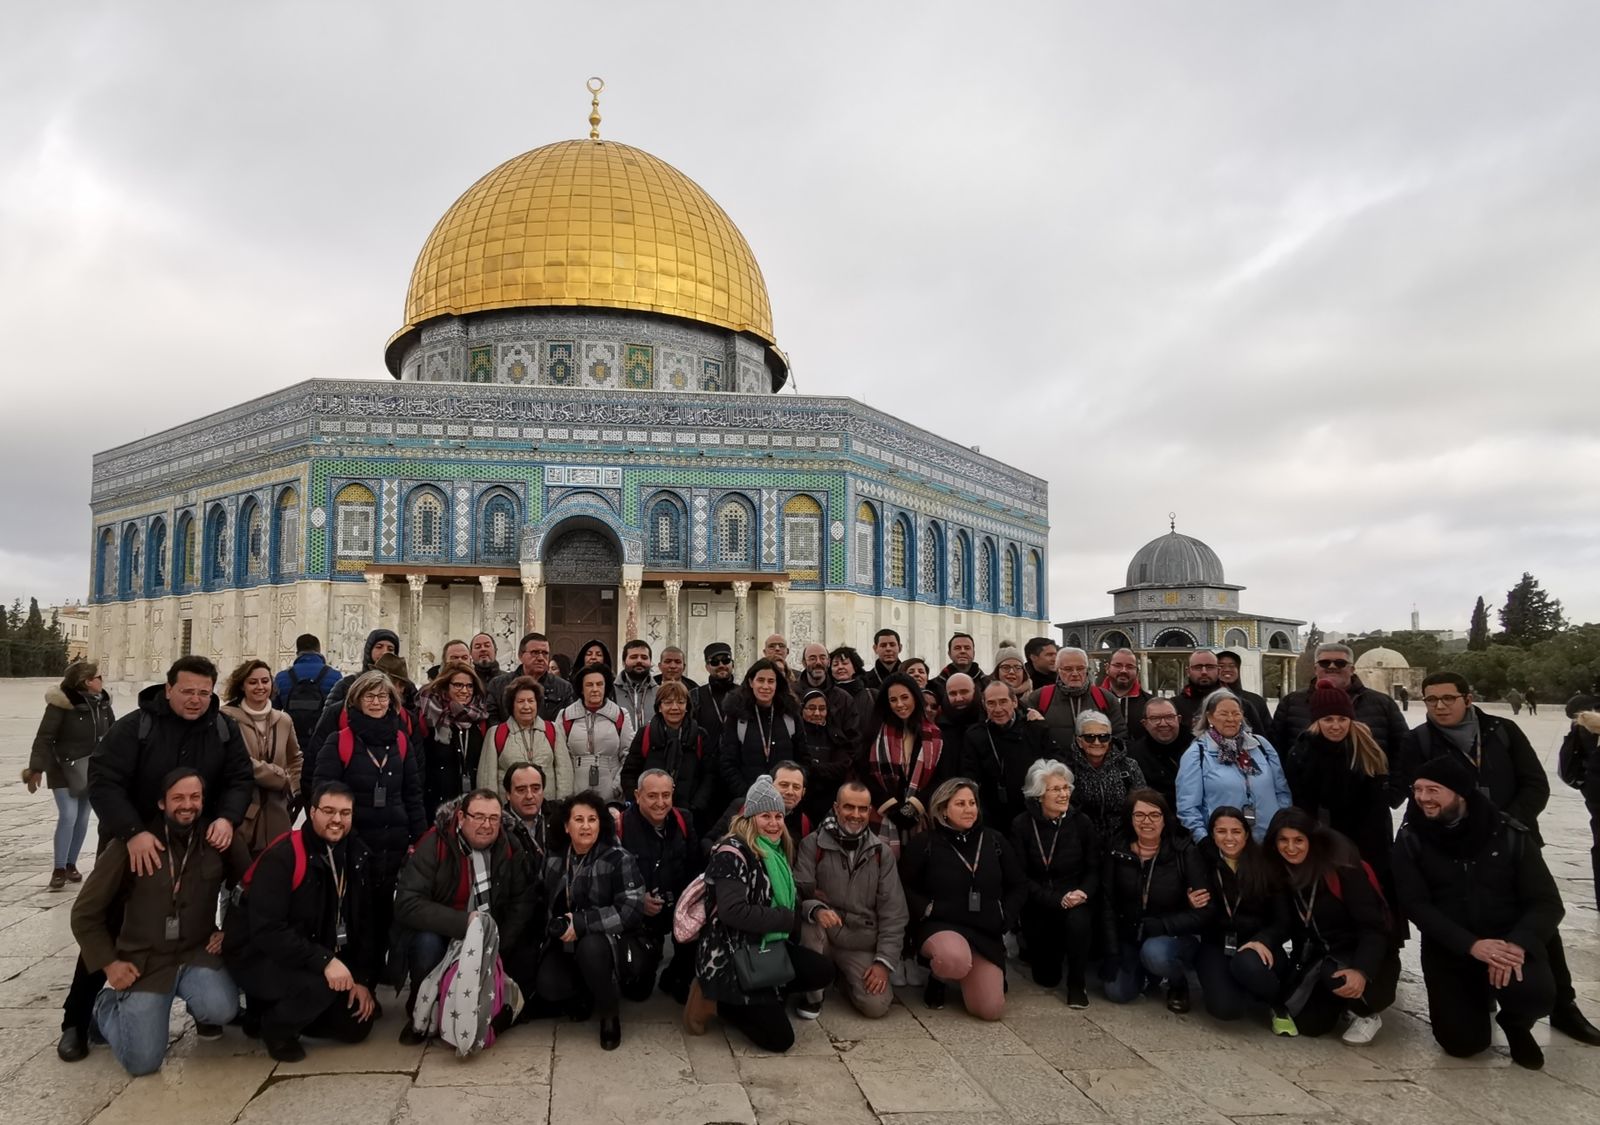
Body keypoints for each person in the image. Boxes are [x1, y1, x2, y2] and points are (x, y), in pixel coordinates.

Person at [59, 656, 254, 1063]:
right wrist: (132, 832)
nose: (196, 700)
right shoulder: (136, 726)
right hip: (134, 842)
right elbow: (104, 780)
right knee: (113, 918)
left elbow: (239, 779)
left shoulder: (221, 729)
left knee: (198, 909)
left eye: (204, 692)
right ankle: (78, 1018)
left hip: (197, 840)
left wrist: (226, 818)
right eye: (188, 691)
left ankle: (206, 1008)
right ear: (168, 689)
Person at [1399, 672, 1600, 1045]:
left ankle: (1563, 1007)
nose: (1440, 706)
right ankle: (1477, 996)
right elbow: (1416, 795)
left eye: (1448, 698)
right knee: (1461, 921)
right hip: (1450, 850)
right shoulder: (1419, 740)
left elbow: (1534, 784)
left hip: (1506, 845)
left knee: (1538, 928)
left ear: (1467, 698)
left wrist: (1503, 827)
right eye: (1431, 700)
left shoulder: (1501, 731)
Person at [71, 769, 249, 1075]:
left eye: (195, 797)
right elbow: (84, 913)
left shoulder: (216, 840)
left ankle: (199, 1008)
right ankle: (106, 1007)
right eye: (178, 798)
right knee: (143, 1063)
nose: (187, 805)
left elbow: (250, 890)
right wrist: (110, 965)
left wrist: (229, 930)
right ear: (161, 803)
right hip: (145, 961)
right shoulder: (133, 845)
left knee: (223, 1008)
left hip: (196, 953)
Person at [1394, 757, 1562, 1069]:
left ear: (1460, 793)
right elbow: (1415, 904)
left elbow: (1547, 902)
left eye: (1433, 790)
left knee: (1535, 994)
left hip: (1507, 941)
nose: (1422, 798)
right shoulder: (1411, 838)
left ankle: (1515, 1023)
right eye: (1417, 790)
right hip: (1452, 947)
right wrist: (1472, 945)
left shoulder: (1508, 833)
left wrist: (1517, 945)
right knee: (1462, 1043)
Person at [224, 781, 382, 1061]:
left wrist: (361, 980)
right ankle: (275, 1029)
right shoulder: (283, 856)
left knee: (357, 1024)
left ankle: (271, 1013)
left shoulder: (356, 853)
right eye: (329, 811)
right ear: (312, 812)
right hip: (260, 956)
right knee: (321, 986)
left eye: (345, 813)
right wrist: (324, 962)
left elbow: (365, 923)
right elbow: (267, 931)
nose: (337, 820)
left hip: (310, 953)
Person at [690, 776, 835, 1050]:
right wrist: (785, 918)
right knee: (780, 1040)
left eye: (779, 816)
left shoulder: (776, 850)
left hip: (766, 944)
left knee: (823, 970)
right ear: (749, 816)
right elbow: (733, 912)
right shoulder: (731, 853)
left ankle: (768, 990)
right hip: (732, 954)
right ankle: (714, 1002)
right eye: (765, 815)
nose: (774, 823)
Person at [395, 789, 541, 1042]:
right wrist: (465, 923)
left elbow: (522, 901)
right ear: (461, 817)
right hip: (445, 931)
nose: (487, 825)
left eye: (494, 818)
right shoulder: (434, 844)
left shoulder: (509, 845)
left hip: (492, 933)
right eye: (479, 817)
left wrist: (498, 943)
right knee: (425, 944)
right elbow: (407, 903)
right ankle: (424, 1010)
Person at [312, 668, 425, 980]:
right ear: (356, 700)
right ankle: (361, 981)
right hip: (355, 844)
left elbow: (413, 793)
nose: (377, 702)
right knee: (357, 914)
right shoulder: (341, 741)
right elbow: (323, 789)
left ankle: (380, 972)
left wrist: (420, 836)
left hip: (394, 843)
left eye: (383, 696)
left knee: (386, 912)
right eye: (370, 696)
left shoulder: (400, 741)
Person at [1259, 808, 1398, 1042]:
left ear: (1312, 840)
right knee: (1309, 1025)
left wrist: (1361, 970)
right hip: (1321, 953)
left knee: (1336, 975)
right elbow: (1283, 923)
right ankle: (1341, 1003)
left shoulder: (1341, 869)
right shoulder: (1281, 872)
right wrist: (1261, 941)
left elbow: (1373, 927)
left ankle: (1366, 1011)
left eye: (1298, 840)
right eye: (1283, 840)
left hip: (1360, 951)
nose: (1290, 848)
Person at [900, 778, 1025, 1018]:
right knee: (953, 959)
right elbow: (904, 885)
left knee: (990, 1010)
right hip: (941, 924)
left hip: (984, 930)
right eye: (960, 804)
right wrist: (926, 909)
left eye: (972, 803)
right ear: (943, 809)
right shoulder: (925, 844)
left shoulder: (994, 841)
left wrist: (1005, 915)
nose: (969, 809)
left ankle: (975, 972)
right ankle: (939, 978)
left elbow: (1018, 884)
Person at [536, 791, 645, 1048]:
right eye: (579, 820)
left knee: (591, 948)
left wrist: (583, 923)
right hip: (566, 943)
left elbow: (631, 910)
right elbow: (541, 902)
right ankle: (584, 992)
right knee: (549, 986)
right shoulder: (553, 859)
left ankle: (609, 1012)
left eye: (592, 819)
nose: (586, 826)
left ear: (601, 824)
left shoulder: (618, 858)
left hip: (610, 942)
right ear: (566, 826)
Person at [793, 780, 909, 1019]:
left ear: (869, 811)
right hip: (823, 935)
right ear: (836, 808)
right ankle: (813, 996)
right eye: (848, 807)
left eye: (862, 809)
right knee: (809, 927)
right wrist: (815, 909)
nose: (855, 815)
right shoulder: (812, 844)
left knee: (876, 1007)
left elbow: (894, 912)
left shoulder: (881, 853)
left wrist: (883, 963)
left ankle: (845, 980)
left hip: (860, 940)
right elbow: (797, 893)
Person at [1283, 681, 1403, 902]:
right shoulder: (1302, 753)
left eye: (1342, 719)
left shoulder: (1366, 750)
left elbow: (1380, 799)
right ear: (1317, 721)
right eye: (1328, 719)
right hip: (1324, 842)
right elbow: (1300, 802)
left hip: (1368, 844)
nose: (1336, 726)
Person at [1100, 789, 1209, 1011]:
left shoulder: (1184, 851)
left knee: (1155, 954)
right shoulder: (1117, 849)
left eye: (1154, 815)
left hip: (1169, 935)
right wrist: (1112, 950)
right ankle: (1147, 974)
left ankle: (1178, 983)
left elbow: (1204, 911)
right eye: (1139, 815)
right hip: (1130, 933)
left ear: (1165, 819)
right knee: (1117, 992)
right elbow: (1107, 902)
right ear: (1130, 819)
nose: (1146, 821)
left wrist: (1164, 925)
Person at [1190, 807, 1291, 1030]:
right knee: (1226, 1010)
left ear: (1246, 834)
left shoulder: (1266, 865)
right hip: (1217, 943)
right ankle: (1242, 988)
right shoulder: (1201, 862)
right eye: (1221, 831)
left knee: (1247, 965)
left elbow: (1284, 920)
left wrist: (1263, 940)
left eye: (1236, 831)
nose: (1229, 838)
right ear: (1212, 834)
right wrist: (1190, 902)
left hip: (1258, 944)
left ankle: (1277, 1002)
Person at [1009, 760, 1098, 1006]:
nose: (1063, 794)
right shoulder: (1022, 824)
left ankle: (1077, 984)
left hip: (1075, 897)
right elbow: (1020, 876)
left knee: (1078, 921)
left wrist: (1082, 892)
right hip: (1040, 902)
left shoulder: (1082, 823)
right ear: (1039, 795)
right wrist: (1054, 899)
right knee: (1046, 978)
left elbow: (1094, 869)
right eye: (1055, 789)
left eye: (1065, 788)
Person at [26, 660, 114, 889]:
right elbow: (44, 737)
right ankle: (58, 868)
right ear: (87, 681)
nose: (102, 681)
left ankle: (70, 864)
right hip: (63, 767)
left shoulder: (102, 703)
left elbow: (114, 734)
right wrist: (36, 768)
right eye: (99, 677)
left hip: (91, 768)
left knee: (83, 818)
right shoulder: (61, 704)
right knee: (68, 815)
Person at [615, 769, 701, 1002]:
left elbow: (695, 866)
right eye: (652, 796)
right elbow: (610, 880)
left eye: (666, 795)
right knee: (636, 992)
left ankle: (676, 973)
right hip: (640, 916)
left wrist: (688, 905)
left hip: (677, 907)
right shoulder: (620, 826)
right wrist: (637, 901)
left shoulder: (684, 820)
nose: (660, 803)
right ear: (637, 795)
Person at [1176, 689, 1292, 844]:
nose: (1231, 719)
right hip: (1226, 843)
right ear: (1209, 716)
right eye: (1223, 714)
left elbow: (1282, 792)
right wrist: (1202, 840)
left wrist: (1281, 826)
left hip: (1268, 841)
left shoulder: (1261, 745)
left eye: (1236, 713)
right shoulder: (1197, 753)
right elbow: (1188, 807)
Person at [220, 659, 303, 857]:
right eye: (253, 682)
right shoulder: (226, 718)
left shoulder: (283, 720)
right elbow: (236, 760)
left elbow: (295, 759)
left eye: (265, 681)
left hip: (277, 813)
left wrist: (294, 790)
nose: (260, 687)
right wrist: (278, 777)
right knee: (238, 878)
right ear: (242, 685)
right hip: (241, 812)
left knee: (274, 873)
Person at [859, 672, 948, 850]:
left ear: (915, 697)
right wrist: (892, 808)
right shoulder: (875, 732)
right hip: (882, 814)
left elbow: (941, 776)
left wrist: (912, 808)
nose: (899, 704)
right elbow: (864, 772)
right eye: (893, 700)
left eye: (905, 697)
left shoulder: (935, 735)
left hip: (922, 816)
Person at [1270, 644, 1409, 758]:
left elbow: (1403, 751)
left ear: (1352, 669)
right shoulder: (1291, 702)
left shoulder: (1382, 703)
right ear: (1315, 669)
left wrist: (1391, 789)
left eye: (1340, 663)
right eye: (1324, 663)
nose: (1332, 666)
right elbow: (1276, 751)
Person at [963, 680, 1057, 830]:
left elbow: (1054, 767)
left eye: (1003, 702)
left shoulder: (1035, 729)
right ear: (984, 705)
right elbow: (970, 775)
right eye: (991, 703)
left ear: (1014, 702)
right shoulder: (975, 735)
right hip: (993, 815)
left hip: (1033, 811)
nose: (998, 709)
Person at [619, 679, 715, 825]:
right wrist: (638, 802)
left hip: (690, 814)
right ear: (659, 707)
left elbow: (709, 774)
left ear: (687, 706)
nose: (675, 708)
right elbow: (629, 772)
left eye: (680, 702)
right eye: (668, 703)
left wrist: (698, 804)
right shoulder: (646, 734)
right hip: (649, 813)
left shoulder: (700, 736)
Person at [310, 628, 400, 765]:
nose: (384, 653)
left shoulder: (405, 688)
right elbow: (326, 728)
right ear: (369, 650)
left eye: (391, 649)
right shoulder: (347, 685)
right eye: (379, 647)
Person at [416, 661, 491, 817]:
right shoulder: (430, 716)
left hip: (472, 807)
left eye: (469, 686)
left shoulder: (480, 718)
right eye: (458, 685)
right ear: (446, 686)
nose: (465, 691)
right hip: (436, 806)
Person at [720, 659, 805, 795]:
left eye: (771, 681)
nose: (765, 686)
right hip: (748, 797)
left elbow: (803, 759)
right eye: (760, 680)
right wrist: (746, 793)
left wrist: (793, 790)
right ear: (750, 682)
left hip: (786, 798)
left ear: (777, 684)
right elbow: (728, 762)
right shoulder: (736, 716)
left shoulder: (790, 715)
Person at [1064, 710, 1145, 845]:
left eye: (1103, 737)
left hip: (1122, 839)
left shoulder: (1128, 766)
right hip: (1080, 840)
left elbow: (1142, 803)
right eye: (1089, 737)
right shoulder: (1067, 769)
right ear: (1079, 741)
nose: (1097, 742)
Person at [557, 664, 635, 801]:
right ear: (581, 689)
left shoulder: (620, 715)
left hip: (611, 792)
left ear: (606, 687)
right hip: (576, 790)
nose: (595, 689)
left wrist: (617, 787)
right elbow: (561, 758)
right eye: (589, 685)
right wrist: (567, 792)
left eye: (599, 684)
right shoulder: (565, 716)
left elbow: (629, 754)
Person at [1024, 648, 1127, 748]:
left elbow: (1119, 736)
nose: (1075, 674)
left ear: (1087, 669)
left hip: (1095, 763)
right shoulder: (1040, 697)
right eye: (1068, 669)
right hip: (1054, 763)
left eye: (1080, 668)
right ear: (1058, 670)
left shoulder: (1106, 698)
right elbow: (1029, 737)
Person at [480, 676, 565, 796]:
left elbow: (564, 775)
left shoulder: (553, 730)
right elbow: (487, 780)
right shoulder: (496, 734)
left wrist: (560, 807)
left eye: (531, 701)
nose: (526, 707)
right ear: (511, 705)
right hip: (508, 811)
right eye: (520, 701)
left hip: (548, 809)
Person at [274, 633, 343, 750]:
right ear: (319, 650)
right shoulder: (334, 676)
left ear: (297, 652)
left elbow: (273, 713)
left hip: (291, 742)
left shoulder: (282, 677)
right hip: (323, 742)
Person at [487, 632, 574, 723]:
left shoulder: (563, 688)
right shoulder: (498, 685)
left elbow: (567, 724)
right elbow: (492, 723)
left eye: (545, 653)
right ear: (520, 656)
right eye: (535, 653)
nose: (540, 658)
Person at [797, 688, 855, 824]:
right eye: (811, 708)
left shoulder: (835, 735)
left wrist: (814, 769)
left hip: (829, 800)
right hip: (802, 800)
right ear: (802, 709)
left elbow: (842, 766)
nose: (817, 713)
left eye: (822, 708)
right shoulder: (797, 734)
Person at [795, 641, 862, 749]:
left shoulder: (843, 699)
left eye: (822, 658)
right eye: (812, 658)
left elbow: (853, 740)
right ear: (804, 663)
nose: (818, 662)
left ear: (829, 662)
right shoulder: (792, 696)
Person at [1126, 697, 1188, 809]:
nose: (1163, 723)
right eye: (1155, 718)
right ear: (1144, 723)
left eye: (1169, 717)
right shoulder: (1133, 755)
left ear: (1178, 719)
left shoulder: (1197, 749)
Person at [691, 641, 739, 748]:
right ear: (707, 667)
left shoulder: (745, 694)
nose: (721, 665)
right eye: (714, 662)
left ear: (733, 664)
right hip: (705, 761)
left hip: (737, 760)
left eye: (726, 660)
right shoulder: (695, 695)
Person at [1215, 650, 1272, 736]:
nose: (1227, 669)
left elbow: (1268, 733)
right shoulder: (1207, 700)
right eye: (1221, 666)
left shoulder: (1255, 700)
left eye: (1232, 666)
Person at [502, 762, 548, 863]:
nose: (529, 796)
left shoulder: (560, 818)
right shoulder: (499, 826)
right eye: (521, 790)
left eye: (536, 789)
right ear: (508, 794)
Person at [1097, 648, 1150, 731]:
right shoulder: (1092, 700)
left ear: (1137, 672)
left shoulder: (1149, 703)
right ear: (1107, 668)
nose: (1123, 670)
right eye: (1118, 665)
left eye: (1130, 667)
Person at [1171, 650, 1223, 733]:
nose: (1204, 672)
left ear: (1219, 671)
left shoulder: (1237, 704)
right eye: (1198, 667)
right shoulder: (1173, 706)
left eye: (1210, 667)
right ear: (1188, 672)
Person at [616, 639, 659, 730]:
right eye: (633, 657)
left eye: (644, 657)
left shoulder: (659, 693)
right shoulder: (611, 692)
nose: (639, 661)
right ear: (624, 662)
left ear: (650, 662)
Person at [937, 672, 985, 751]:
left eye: (964, 692)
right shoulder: (939, 729)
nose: (959, 698)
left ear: (975, 691)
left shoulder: (989, 724)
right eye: (953, 693)